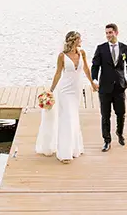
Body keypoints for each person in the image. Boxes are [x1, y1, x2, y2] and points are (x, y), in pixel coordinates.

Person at [35, 30, 96, 163]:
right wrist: (51, 90)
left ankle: (74, 148)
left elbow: (86, 69)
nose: (81, 41)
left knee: (73, 117)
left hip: (76, 90)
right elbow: (58, 73)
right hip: (64, 90)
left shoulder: (82, 53)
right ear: (74, 40)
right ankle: (64, 153)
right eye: (79, 39)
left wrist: (92, 83)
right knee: (66, 117)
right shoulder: (62, 56)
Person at [91, 23, 127, 152]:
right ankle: (106, 140)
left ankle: (119, 133)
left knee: (121, 113)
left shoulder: (125, 48)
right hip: (105, 87)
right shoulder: (101, 48)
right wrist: (94, 80)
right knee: (105, 115)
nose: (108, 35)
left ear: (116, 33)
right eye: (107, 33)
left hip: (119, 86)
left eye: (110, 32)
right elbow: (95, 66)